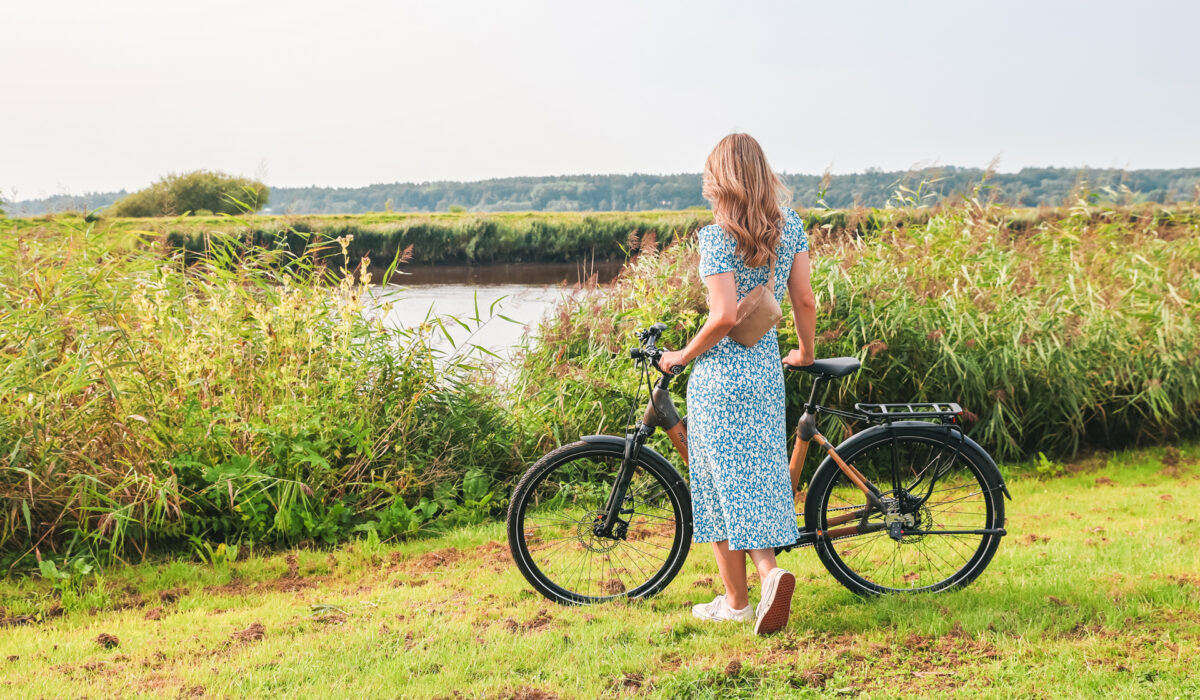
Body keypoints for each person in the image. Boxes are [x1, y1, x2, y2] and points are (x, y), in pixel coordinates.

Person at [658, 133, 817, 635]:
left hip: (720, 380)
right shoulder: (789, 227)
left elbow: (724, 315)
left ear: (721, 180)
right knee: (755, 478)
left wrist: (681, 355)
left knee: (718, 486)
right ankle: (740, 600)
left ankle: (760, 583)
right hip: (765, 374)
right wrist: (806, 353)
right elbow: (805, 301)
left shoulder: (717, 237)